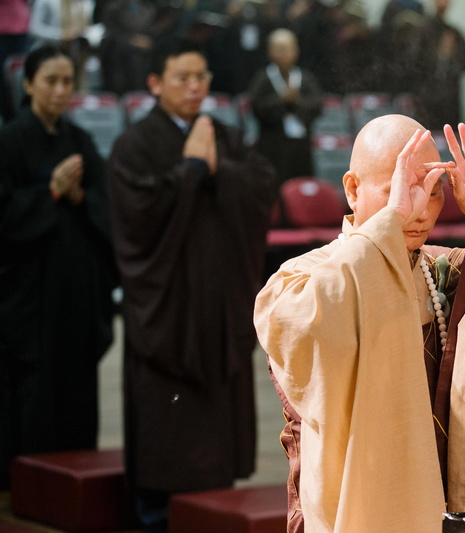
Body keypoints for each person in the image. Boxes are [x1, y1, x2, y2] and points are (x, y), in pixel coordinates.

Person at [253, 114, 465, 532]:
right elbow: (313, 321)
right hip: (351, 500)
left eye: (434, 192)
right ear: (352, 189)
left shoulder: (439, 271)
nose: (420, 211)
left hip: (438, 502)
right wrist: (387, 224)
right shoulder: (300, 278)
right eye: (400, 192)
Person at [107, 38, 274, 530]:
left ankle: (215, 505)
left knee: (214, 433)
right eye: (182, 76)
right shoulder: (134, 144)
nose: (195, 86)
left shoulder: (222, 133)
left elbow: (261, 184)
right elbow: (136, 215)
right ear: (155, 82)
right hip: (170, 305)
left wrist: (218, 168)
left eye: (201, 76)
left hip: (218, 300)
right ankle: (156, 512)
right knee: (167, 419)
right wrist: (192, 171)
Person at [0, 44, 117, 491]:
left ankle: (74, 484)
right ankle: (26, 484)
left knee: (76, 385)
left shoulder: (80, 141)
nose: (60, 91)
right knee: (32, 390)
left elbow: (105, 207)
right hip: (28, 298)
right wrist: (48, 192)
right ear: (28, 84)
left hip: (76, 293)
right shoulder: (9, 141)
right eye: (50, 81)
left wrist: (80, 197)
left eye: (67, 82)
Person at [248, 28, 322, 185]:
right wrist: (281, 100)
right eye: (280, 49)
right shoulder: (263, 78)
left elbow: (317, 105)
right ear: (270, 52)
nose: (286, 53)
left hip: (300, 146)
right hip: (272, 145)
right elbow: (256, 107)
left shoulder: (305, 77)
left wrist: (297, 102)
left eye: (289, 48)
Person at [414, 0, 465, 130]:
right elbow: (414, 63)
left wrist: (450, 57)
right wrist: (439, 55)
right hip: (427, 99)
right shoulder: (423, 30)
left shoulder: (453, 32)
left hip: (449, 100)